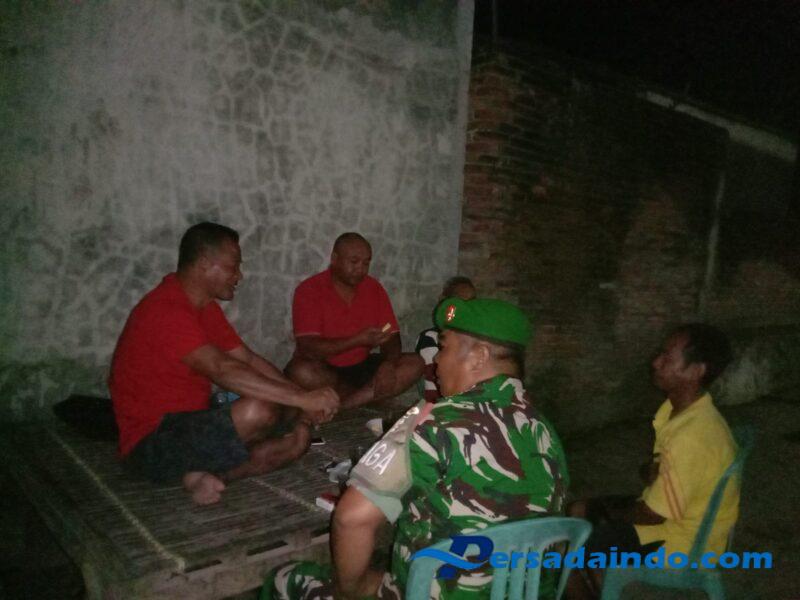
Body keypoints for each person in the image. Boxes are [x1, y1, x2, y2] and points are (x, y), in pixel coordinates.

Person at [264, 297, 569, 600]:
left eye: (444, 347)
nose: (436, 361)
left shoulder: (432, 420)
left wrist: (349, 592)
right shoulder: (544, 430)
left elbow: (352, 518)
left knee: (288, 578)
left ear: (478, 357)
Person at [109, 223, 339, 505]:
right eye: (233, 267)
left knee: (297, 441)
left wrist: (301, 397)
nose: (239, 275)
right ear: (205, 264)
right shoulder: (165, 309)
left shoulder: (204, 307)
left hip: (194, 422)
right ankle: (192, 472)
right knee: (258, 410)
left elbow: (247, 359)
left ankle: (206, 477)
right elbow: (222, 369)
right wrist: (302, 399)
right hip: (151, 442)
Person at [566, 323, 737, 599]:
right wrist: (651, 473)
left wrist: (611, 518)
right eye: (660, 353)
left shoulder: (692, 436)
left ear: (696, 371)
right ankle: (603, 587)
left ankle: (589, 579)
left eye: (667, 358)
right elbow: (657, 472)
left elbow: (652, 515)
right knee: (579, 509)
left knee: (563, 546)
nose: (656, 362)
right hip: (681, 519)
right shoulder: (683, 411)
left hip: (682, 542)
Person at [285, 232, 423, 408]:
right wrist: (357, 340)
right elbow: (309, 348)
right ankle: (366, 399)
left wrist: (388, 364)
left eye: (366, 263)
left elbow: (390, 332)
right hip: (325, 369)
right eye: (354, 262)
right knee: (301, 372)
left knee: (415, 363)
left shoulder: (373, 288)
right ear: (334, 259)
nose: (360, 269)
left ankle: (344, 405)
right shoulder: (310, 290)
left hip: (362, 366)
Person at [414, 276, 476, 402]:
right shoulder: (430, 338)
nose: (464, 308)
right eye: (458, 301)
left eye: (471, 302)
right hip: (442, 403)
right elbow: (433, 383)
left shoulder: (474, 337)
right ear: (444, 301)